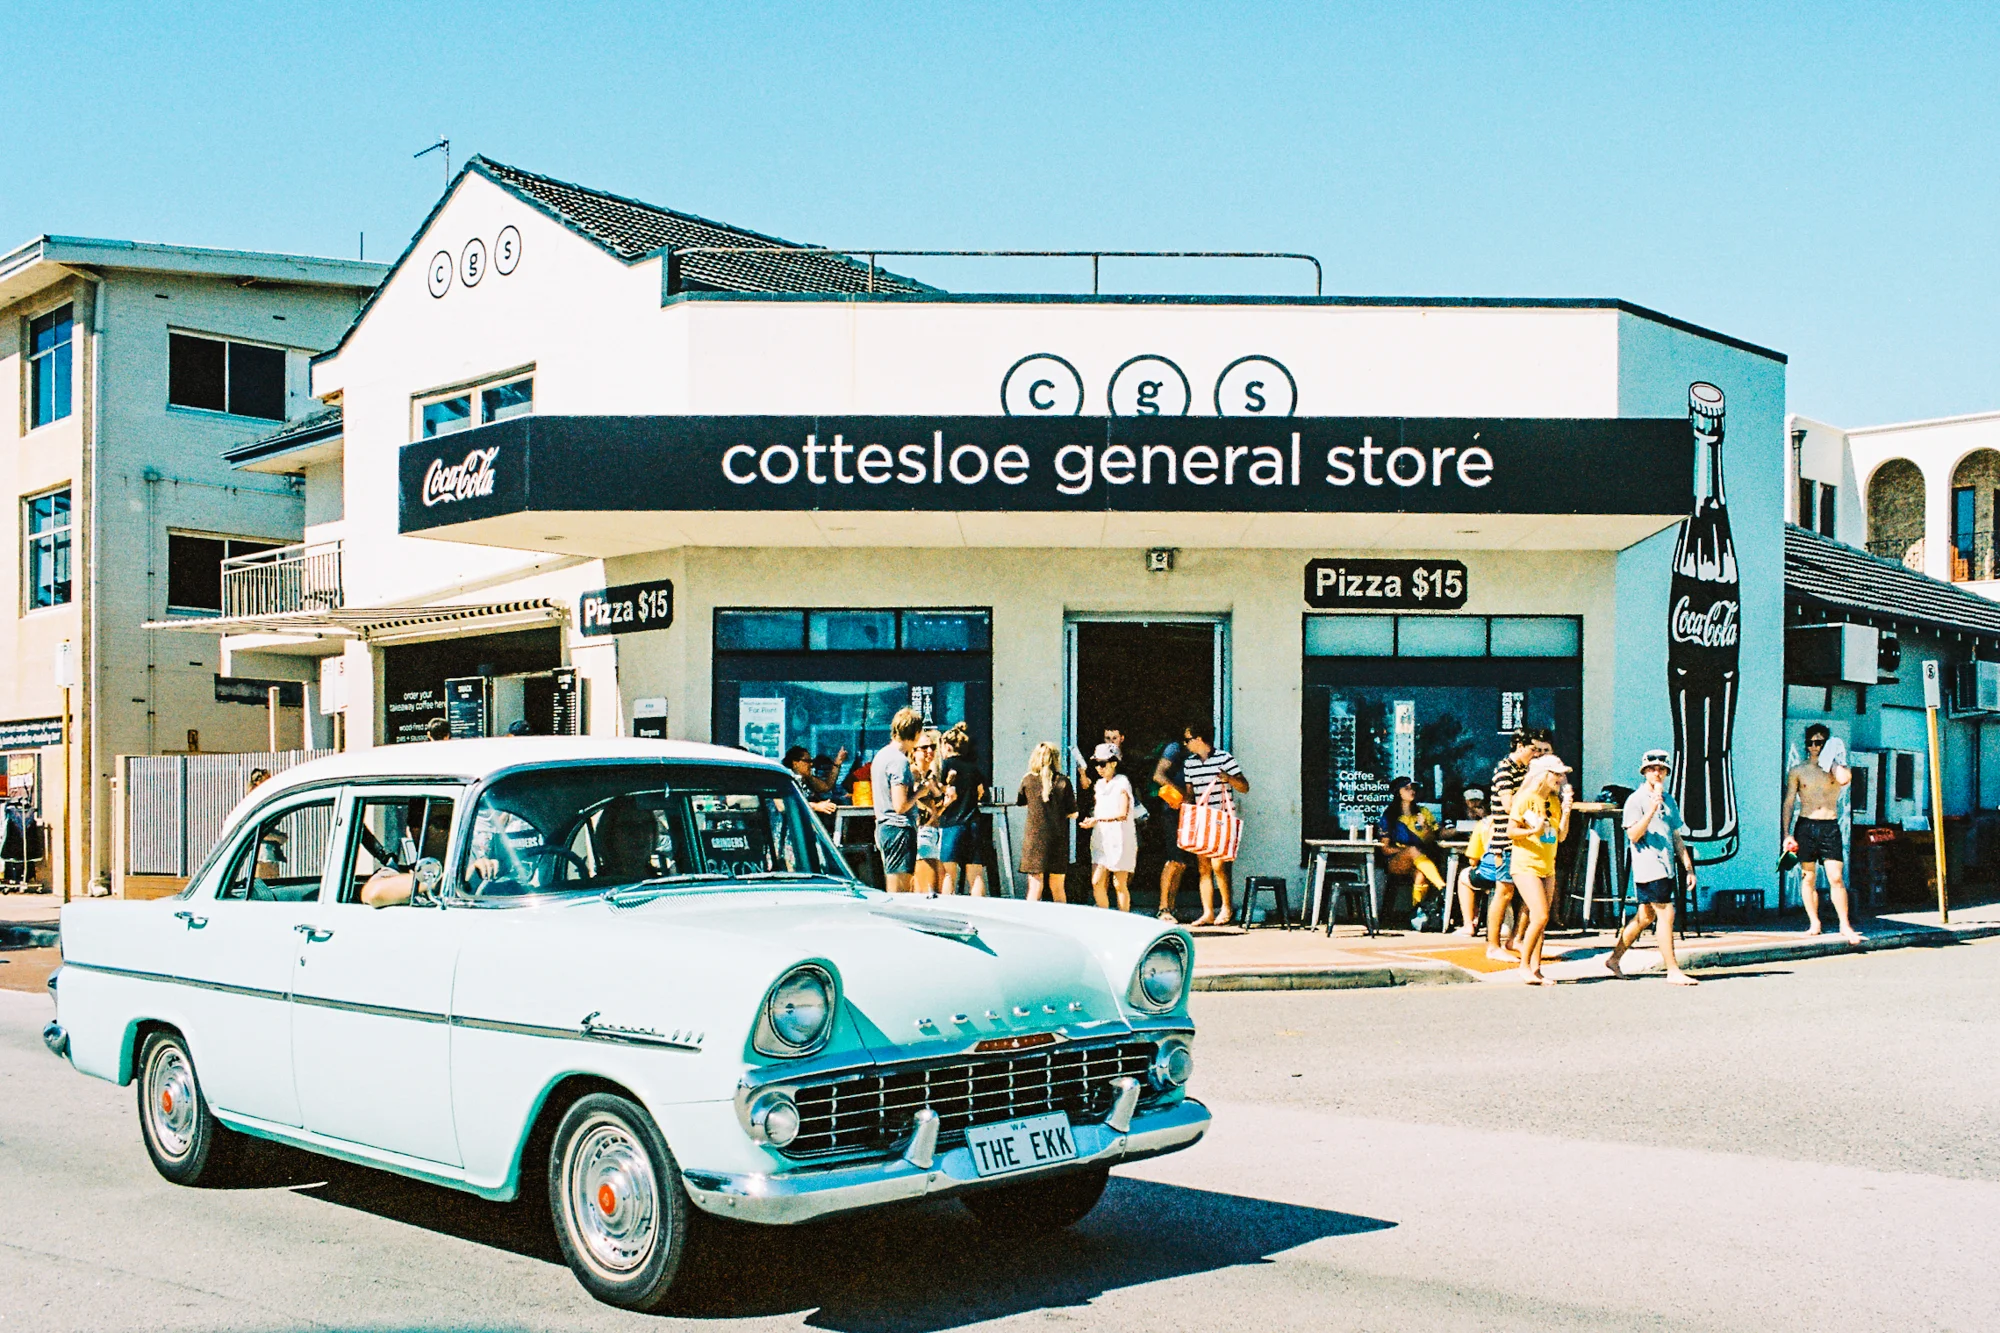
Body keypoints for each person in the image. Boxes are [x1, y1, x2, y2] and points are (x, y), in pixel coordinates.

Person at [1606, 749, 1700, 984]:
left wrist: (1688, 868)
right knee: (1666, 913)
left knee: (1645, 916)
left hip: (1666, 864)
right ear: (1644, 772)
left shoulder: (1670, 800)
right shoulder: (1635, 800)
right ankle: (1673, 969)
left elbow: (1676, 836)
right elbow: (1634, 835)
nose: (1656, 773)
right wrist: (1650, 810)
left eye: (1661, 769)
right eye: (1652, 769)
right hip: (1648, 865)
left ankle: (1614, 958)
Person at [1782, 723, 1860, 943]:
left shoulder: (1834, 769)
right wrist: (1786, 834)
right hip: (1806, 825)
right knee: (1808, 877)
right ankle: (1814, 921)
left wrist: (1832, 760)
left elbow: (1845, 779)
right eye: (1810, 743)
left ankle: (1844, 924)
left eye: (1819, 742)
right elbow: (1789, 802)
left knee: (1835, 877)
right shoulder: (1798, 770)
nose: (1814, 747)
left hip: (1829, 825)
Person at [1507, 753, 1572, 985]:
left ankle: (1536, 968)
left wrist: (1566, 811)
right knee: (1541, 914)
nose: (1561, 779)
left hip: (1547, 864)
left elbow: (1561, 836)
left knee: (1540, 920)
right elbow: (1511, 831)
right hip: (1526, 864)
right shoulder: (1525, 798)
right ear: (1543, 775)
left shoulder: (1552, 801)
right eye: (1556, 774)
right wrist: (1530, 832)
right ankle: (1524, 965)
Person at [1485, 728, 1549, 961]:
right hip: (1505, 840)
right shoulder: (1505, 769)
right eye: (1533, 749)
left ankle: (1516, 939)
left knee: (1527, 895)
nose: (1535, 755)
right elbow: (1509, 805)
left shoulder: (1524, 769)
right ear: (1519, 747)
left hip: (1524, 840)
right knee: (1504, 891)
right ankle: (1493, 945)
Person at [1180, 724, 1248, 926]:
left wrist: (1228, 778)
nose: (1186, 744)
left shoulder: (1224, 758)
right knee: (1203, 867)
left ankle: (1226, 907)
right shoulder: (1189, 764)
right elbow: (1190, 793)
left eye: (1188, 739)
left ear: (1199, 739)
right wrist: (1183, 803)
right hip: (1202, 817)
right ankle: (1208, 911)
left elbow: (1244, 786)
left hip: (1221, 817)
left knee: (1219, 865)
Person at [1377, 777, 1448, 927]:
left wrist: (1425, 827)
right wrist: (1406, 851)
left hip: (1420, 861)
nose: (1412, 791)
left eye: (1413, 787)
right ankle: (1443, 887)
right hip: (1396, 861)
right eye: (1407, 788)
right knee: (1412, 850)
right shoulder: (1389, 816)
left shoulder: (1423, 812)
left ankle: (1418, 914)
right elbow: (1385, 848)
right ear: (1398, 793)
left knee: (1421, 875)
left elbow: (1430, 841)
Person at [869, 708, 923, 892]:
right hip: (899, 828)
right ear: (916, 732)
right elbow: (900, 805)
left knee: (894, 886)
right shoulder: (899, 761)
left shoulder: (881, 755)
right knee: (900, 892)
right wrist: (920, 792)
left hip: (884, 826)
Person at [1016, 742, 1075, 903]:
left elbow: (1021, 801)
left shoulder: (1027, 780)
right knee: (1057, 887)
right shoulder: (1064, 782)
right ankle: (1060, 923)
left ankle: (1029, 923)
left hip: (1034, 839)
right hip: (1057, 838)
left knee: (1035, 886)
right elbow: (1073, 812)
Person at [1081, 742, 1136, 911]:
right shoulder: (1099, 784)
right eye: (1096, 763)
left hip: (1120, 838)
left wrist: (1096, 820)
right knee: (1096, 882)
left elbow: (1122, 813)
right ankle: (1105, 917)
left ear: (1114, 763)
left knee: (1119, 883)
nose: (1099, 768)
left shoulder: (1122, 782)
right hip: (1101, 838)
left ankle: (1124, 920)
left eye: (1102, 763)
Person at [937, 722, 988, 896]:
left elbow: (940, 790)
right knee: (976, 875)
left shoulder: (946, 766)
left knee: (948, 874)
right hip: (973, 821)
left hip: (952, 823)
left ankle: (948, 912)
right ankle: (979, 912)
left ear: (947, 746)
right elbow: (981, 792)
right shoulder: (974, 768)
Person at [1152, 733, 1195, 923]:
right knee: (1173, 859)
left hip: (1189, 811)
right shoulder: (1175, 748)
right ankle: (1163, 908)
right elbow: (1158, 775)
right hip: (1173, 809)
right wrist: (1180, 794)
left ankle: (1172, 906)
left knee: (1182, 862)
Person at [912, 728, 947, 893]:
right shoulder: (912, 773)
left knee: (936, 887)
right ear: (913, 752)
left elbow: (935, 810)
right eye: (924, 748)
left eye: (932, 747)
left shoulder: (931, 776)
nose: (930, 751)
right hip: (921, 832)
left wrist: (946, 802)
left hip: (934, 831)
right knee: (927, 889)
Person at [1452, 788, 1490, 935]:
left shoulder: (1484, 824)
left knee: (1465, 875)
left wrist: (1482, 818)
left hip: (1488, 870)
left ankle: (1469, 923)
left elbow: (1473, 860)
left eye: (1477, 801)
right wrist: (1460, 828)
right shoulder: (1457, 815)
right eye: (1471, 801)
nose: (1474, 804)